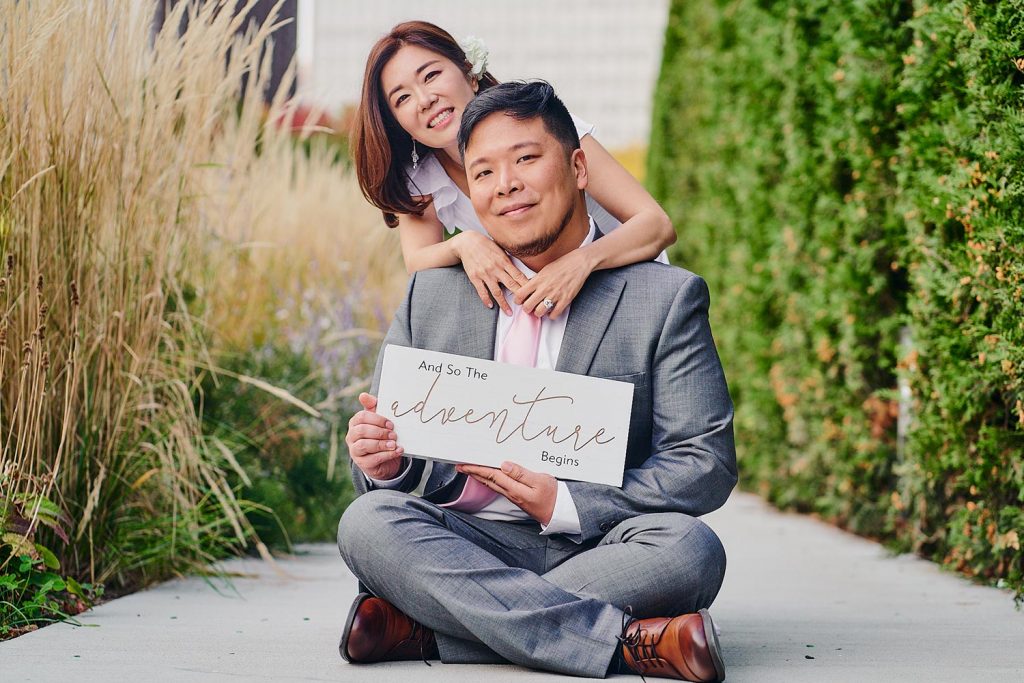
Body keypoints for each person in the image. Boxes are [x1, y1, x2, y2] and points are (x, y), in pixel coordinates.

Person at [337, 81, 736, 682]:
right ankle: (630, 643)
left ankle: (431, 629)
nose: (507, 185)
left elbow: (703, 461)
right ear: (470, 191)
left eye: (526, 159)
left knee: (690, 550)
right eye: (485, 172)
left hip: (603, 540)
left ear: (578, 167)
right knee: (367, 524)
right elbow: (393, 465)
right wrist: (384, 463)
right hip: (469, 537)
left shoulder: (665, 296)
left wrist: (568, 504)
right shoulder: (434, 293)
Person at [352, 21, 675, 320]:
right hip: (539, 310)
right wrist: (464, 244)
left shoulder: (542, 127)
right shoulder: (423, 177)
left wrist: (581, 262)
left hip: (623, 287)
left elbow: (656, 225)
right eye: (403, 97)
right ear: (397, 122)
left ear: (470, 73)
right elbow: (417, 260)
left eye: (431, 75)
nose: (424, 100)